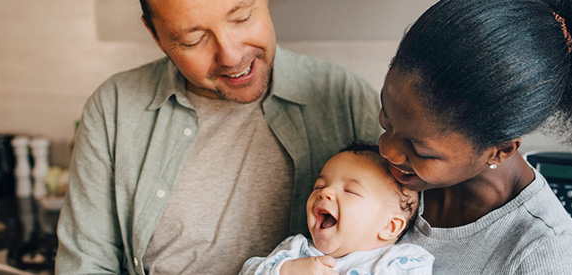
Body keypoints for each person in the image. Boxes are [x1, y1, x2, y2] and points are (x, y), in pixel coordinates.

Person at [55, 0, 381, 273]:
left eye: (241, 17)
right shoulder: (114, 106)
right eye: (193, 40)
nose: (230, 55)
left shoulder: (345, 98)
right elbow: (85, 261)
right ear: (156, 36)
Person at [376, 0, 572, 273]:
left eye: (420, 150)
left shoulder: (546, 253)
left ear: (500, 150)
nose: (387, 150)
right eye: (386, 121)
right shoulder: (375, 176)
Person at [241, 143, 432, 275]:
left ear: (389, 226)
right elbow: (248, 270)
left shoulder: (401, 262)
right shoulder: (295, 250)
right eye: (319, 187)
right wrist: (285, 270)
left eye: (350, 191)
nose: (326, 193)